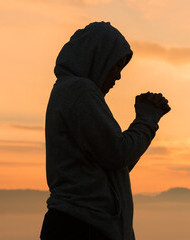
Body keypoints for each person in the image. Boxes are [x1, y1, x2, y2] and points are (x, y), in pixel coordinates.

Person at [40, 22, 171, 240]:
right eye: (116, 65)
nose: (118, 77)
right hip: (83, 226)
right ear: (98, 57)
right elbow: (117, 155)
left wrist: (147, 121)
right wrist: (146, 119)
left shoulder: (69, 91)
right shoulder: (79, 90)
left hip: (79, 223)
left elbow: (116, 165)